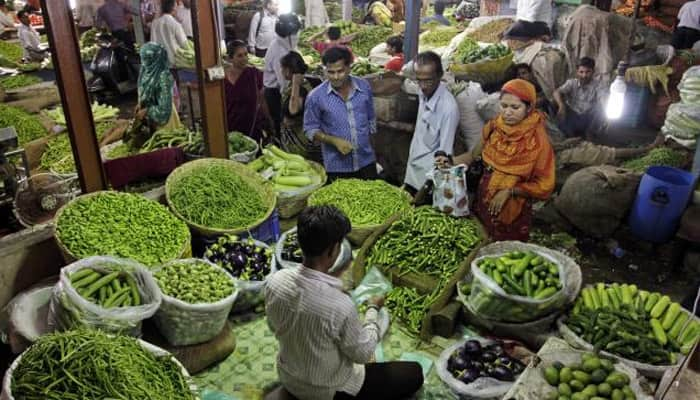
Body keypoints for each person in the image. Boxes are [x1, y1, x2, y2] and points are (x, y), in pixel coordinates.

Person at [265, 205, 424, 400]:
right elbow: (363, 354)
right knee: (414, 373)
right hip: (328, 391)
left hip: (288, 376)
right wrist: (373, 309)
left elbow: (275, 326)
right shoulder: (340, 305)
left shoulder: (275, 281)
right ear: (333, 250)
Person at [454, 79, 555, 241]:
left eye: (515, 107)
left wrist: (510, 191)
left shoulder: (538, 141)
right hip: (484, 198)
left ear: (529, 108)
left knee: (506, 254)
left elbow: (544, 185)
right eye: (504, 106)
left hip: (513, 209)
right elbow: (473, 155)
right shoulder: (494, 127)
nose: (507, 112)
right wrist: (447, 161)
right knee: (482, 242)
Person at [304, 47, 378, 181]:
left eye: (340, 71)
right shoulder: (316, 97)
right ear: (324, 69)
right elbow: (310, 129)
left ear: (349, 68)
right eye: (330, 72)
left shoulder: (364, 87)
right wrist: (332, 140)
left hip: (366, 161)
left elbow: (371, 121)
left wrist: (373, 152)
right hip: (337, 167)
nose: (336, 77)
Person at [404, 51, 459, 193]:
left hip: (428, 178)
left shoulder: (448, 108)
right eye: (419, 80)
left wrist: (427, 187)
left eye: (428, 80)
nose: (423, 86)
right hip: (413, 167)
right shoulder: (424, 93)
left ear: (440, 75)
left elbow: (444, 154)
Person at [133, 43, 181, 142]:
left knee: (166, 144)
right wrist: (141, 103)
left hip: (165, 121)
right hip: (150, 120)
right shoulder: (146, 70)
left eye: (147, 59)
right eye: (143, 58)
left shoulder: (164, 77)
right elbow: (143, 90)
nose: (144, 62)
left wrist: (147, 111)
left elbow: (164, 110)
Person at [263, 13, 302, 136]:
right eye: (295, 33)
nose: (297, 36)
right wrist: (289, 107)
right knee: (281, 124)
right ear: (289, 34)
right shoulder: (280, 52)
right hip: (275, 93)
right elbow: (284, 83)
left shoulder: (281, 44)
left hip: (277, 91)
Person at [224, 40, 270, 143]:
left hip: (251, 125)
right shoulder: (223, 79)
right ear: (230, 58)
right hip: (230, 125)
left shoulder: (254, 74)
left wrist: (268, 119)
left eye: (246, 54)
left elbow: (262, 99)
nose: (244, 58)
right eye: (239, 56)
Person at [279, 51, 320, 160]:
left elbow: (293, 111)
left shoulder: (300, 88)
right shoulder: (303, 83)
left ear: (287, 70)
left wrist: (296, 84)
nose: (281, 71)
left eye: (282, 68)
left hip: (300, 142)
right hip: (296, 139)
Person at [553, 57, 606, 140]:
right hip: (572, 115)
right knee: (555, 103)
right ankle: (571, 133)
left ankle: (590, 133)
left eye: (588, 72)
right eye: (581, 72)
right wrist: (561, 106)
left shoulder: (598, 85)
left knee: (600, 109)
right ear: (577, 72)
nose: (584, 75)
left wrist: (605, 110)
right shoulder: (571, 83)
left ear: (593, 72)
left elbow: (603, 98)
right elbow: (556, 92)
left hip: (587, 117)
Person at [150, 0, 189, 67]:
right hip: (174, 64)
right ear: (173, 8)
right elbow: (185, 45)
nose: (177, 8)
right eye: (176, 6)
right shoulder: (175, 24)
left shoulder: (154, 23)